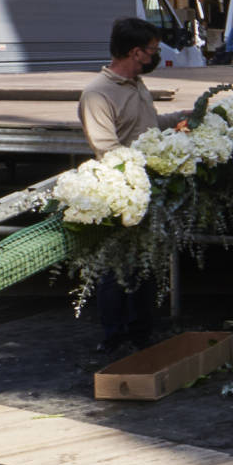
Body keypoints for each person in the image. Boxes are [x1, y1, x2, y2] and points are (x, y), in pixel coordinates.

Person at [78, 18, 188, 354]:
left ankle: (141, 333)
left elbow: (148, 126)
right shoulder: (98, 94)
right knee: (116, 268)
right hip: (120, 193)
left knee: (145, 264)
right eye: (153, 50)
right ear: (135, 52)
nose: (157, 55)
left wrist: (183, 118)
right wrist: (151, 158)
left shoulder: (136, 83)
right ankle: (114, 337)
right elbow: (107, 150)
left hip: (147, 186)